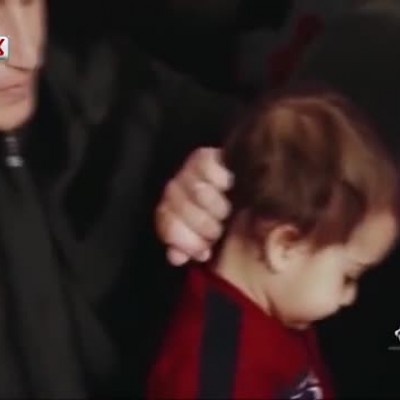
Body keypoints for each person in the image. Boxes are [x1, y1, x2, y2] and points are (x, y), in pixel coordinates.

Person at [159, 1, 400, 397]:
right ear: (285, 245)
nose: (350, 297)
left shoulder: (279, 309)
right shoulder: (210, 373)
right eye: (349, 277)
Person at [0, 0, 238, 397]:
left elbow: (256, 135)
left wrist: (214, 180)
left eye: (27, 1)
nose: (27, 52)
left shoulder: (85, 77)